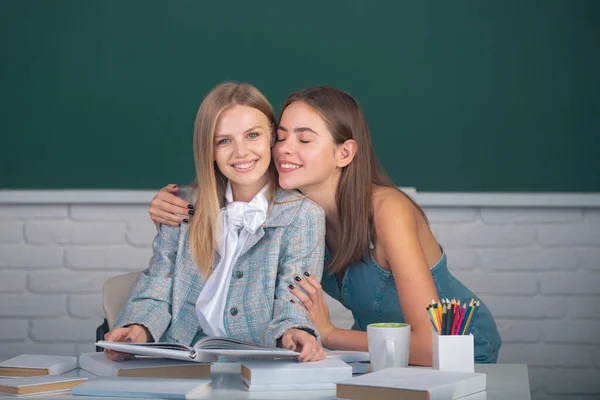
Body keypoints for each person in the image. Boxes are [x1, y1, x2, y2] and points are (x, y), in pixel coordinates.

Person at [148, 86, 502, 366]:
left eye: (303, 140)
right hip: (380, 354)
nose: (285, 150)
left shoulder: (388, 211)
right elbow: (233, 180)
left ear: (344, 154)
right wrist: (173, 206)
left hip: (458, 354)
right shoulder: (296, 212)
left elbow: (429, 346)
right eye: (281, 137)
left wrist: (329, 333)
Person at [105, 82, 326, 363]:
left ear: (272, 136)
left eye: (252, 135)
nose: (240, 152)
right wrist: (137, 328)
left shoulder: (302, 215)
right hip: (180, 357)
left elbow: (293, 298)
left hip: (256, 360)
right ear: (208, 149)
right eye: (224, 141)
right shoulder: (181, 205)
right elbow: (159, 282)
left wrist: (294, 330)